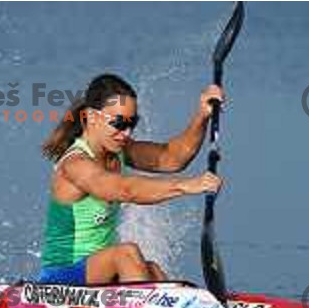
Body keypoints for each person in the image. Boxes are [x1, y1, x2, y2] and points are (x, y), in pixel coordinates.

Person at [38, 73, 224, 285]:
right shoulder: (75, 164)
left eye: (132, 123)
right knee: (126, 254)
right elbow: (125, 190)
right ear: (91, 117)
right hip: (61, 277)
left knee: (151, 269)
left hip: (99, 273)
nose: (126, 133)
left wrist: (202, 115)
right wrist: (187, 185)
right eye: (119, 123)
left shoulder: (118, 150)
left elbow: (173, 157)